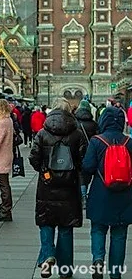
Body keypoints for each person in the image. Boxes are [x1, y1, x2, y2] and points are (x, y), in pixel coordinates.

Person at [28, 98, 83, 279]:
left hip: (47, 185)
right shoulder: (76, 133)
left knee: (46, 222)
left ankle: (47, 256)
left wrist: (44, 171)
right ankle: (65, 269)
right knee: (66, 227)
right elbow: (84, 159)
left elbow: (33, 158)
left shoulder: (43, 133)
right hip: (69, 186)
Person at [82, 107, 132, 279]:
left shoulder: (97, 141)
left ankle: (97, 260)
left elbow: (87, 167)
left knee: (98, 229)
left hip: (100, 193)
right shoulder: (129, 141)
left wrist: (84, 188)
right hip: (125, 195)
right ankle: (115, 273)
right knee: (119, 234)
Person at [75, 100, 99, 208]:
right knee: (88, 174)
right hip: (91, 153)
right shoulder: (94, 124)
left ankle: (83, 195)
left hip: (78, 152)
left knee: (80, 175)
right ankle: (87, 193)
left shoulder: (75, 123)